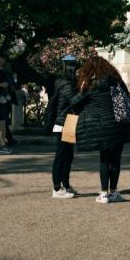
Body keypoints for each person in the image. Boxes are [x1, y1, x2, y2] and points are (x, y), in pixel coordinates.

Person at [70, 56, 130, 203]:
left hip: (100, 127)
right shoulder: (117, 83)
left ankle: (104, 193)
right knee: (116, 159)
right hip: (119, 125)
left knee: (105, 160)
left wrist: (81, 89)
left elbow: (74, 103)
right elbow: (127, 99)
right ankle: (114, 191)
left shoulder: (91, 86)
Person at [46, 55, 79, 198]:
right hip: (65, 122)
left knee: (68, 155)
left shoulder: (61, 82)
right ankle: (57, 188)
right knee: (61, 156)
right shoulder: (67, 84)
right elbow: (74, 101)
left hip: (68, 121)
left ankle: (65, 184)